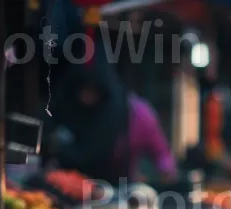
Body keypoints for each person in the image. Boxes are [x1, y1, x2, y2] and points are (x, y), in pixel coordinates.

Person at [42, 47, 176, 186]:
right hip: (69, 185)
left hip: (117, 187)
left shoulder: (138, 114)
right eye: (82, 91)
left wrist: (165, 171)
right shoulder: (65, 106)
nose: (87, 98)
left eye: (92, 92)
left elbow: (162, 153)